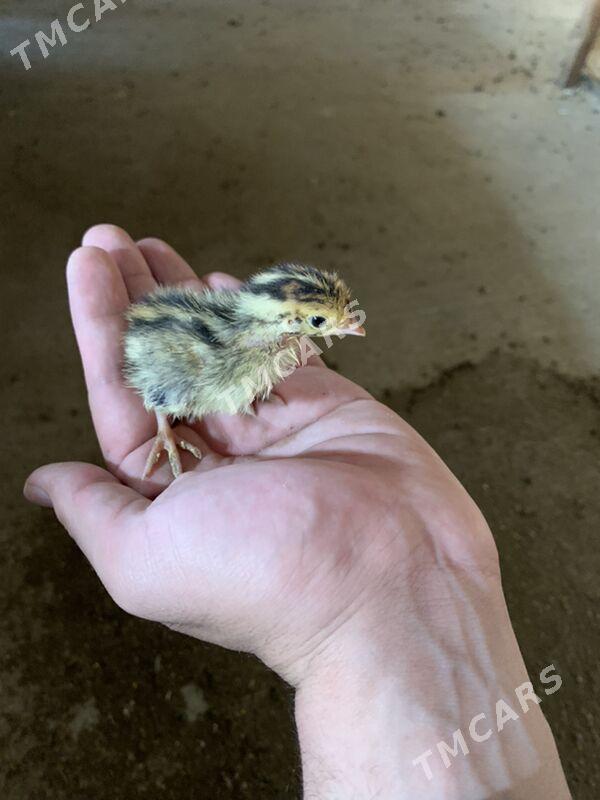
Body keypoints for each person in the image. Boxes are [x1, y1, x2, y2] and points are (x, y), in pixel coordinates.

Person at [24, 225, 571, 799]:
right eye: (318, 323)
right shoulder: (222, 352)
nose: (346, 328)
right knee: (183, 381)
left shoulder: (259, 345)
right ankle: (168, 420)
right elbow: (164, 369)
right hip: (194, 364)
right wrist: (164, 422)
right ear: (280, 324)